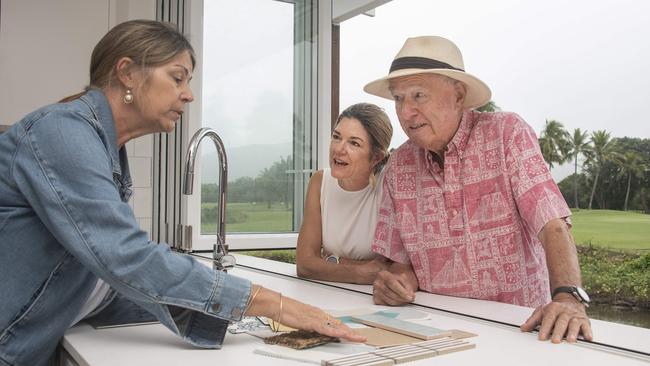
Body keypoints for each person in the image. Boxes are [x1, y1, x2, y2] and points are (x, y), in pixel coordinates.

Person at [0, 20, 363, 366]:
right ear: (127, 72)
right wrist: (269, 303)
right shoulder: (61, 132)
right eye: (177, 78)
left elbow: (103, 282)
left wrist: (230, 306)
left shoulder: (104, 146)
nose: (188, 94)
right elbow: (124, 257)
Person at [363, 36, 592, 344]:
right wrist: (396, 283)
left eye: (418, 95)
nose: (406, 112)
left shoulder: (506, 134)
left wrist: (567, 297)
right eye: (399, 98)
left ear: (458, 95)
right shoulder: (399, 165)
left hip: (521, 331)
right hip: (435, 330)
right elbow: (401, 266)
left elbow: (552, 224)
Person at [296, 103, 393, 284]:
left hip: (374, 300)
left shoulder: (389, 188)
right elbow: (305, 264)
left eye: (354, 143)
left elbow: (392, 268)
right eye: (336, 137)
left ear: (376, 157)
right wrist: (361, 272)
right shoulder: (320, 182)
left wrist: (330, 262)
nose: (339, 149)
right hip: (331, 293)